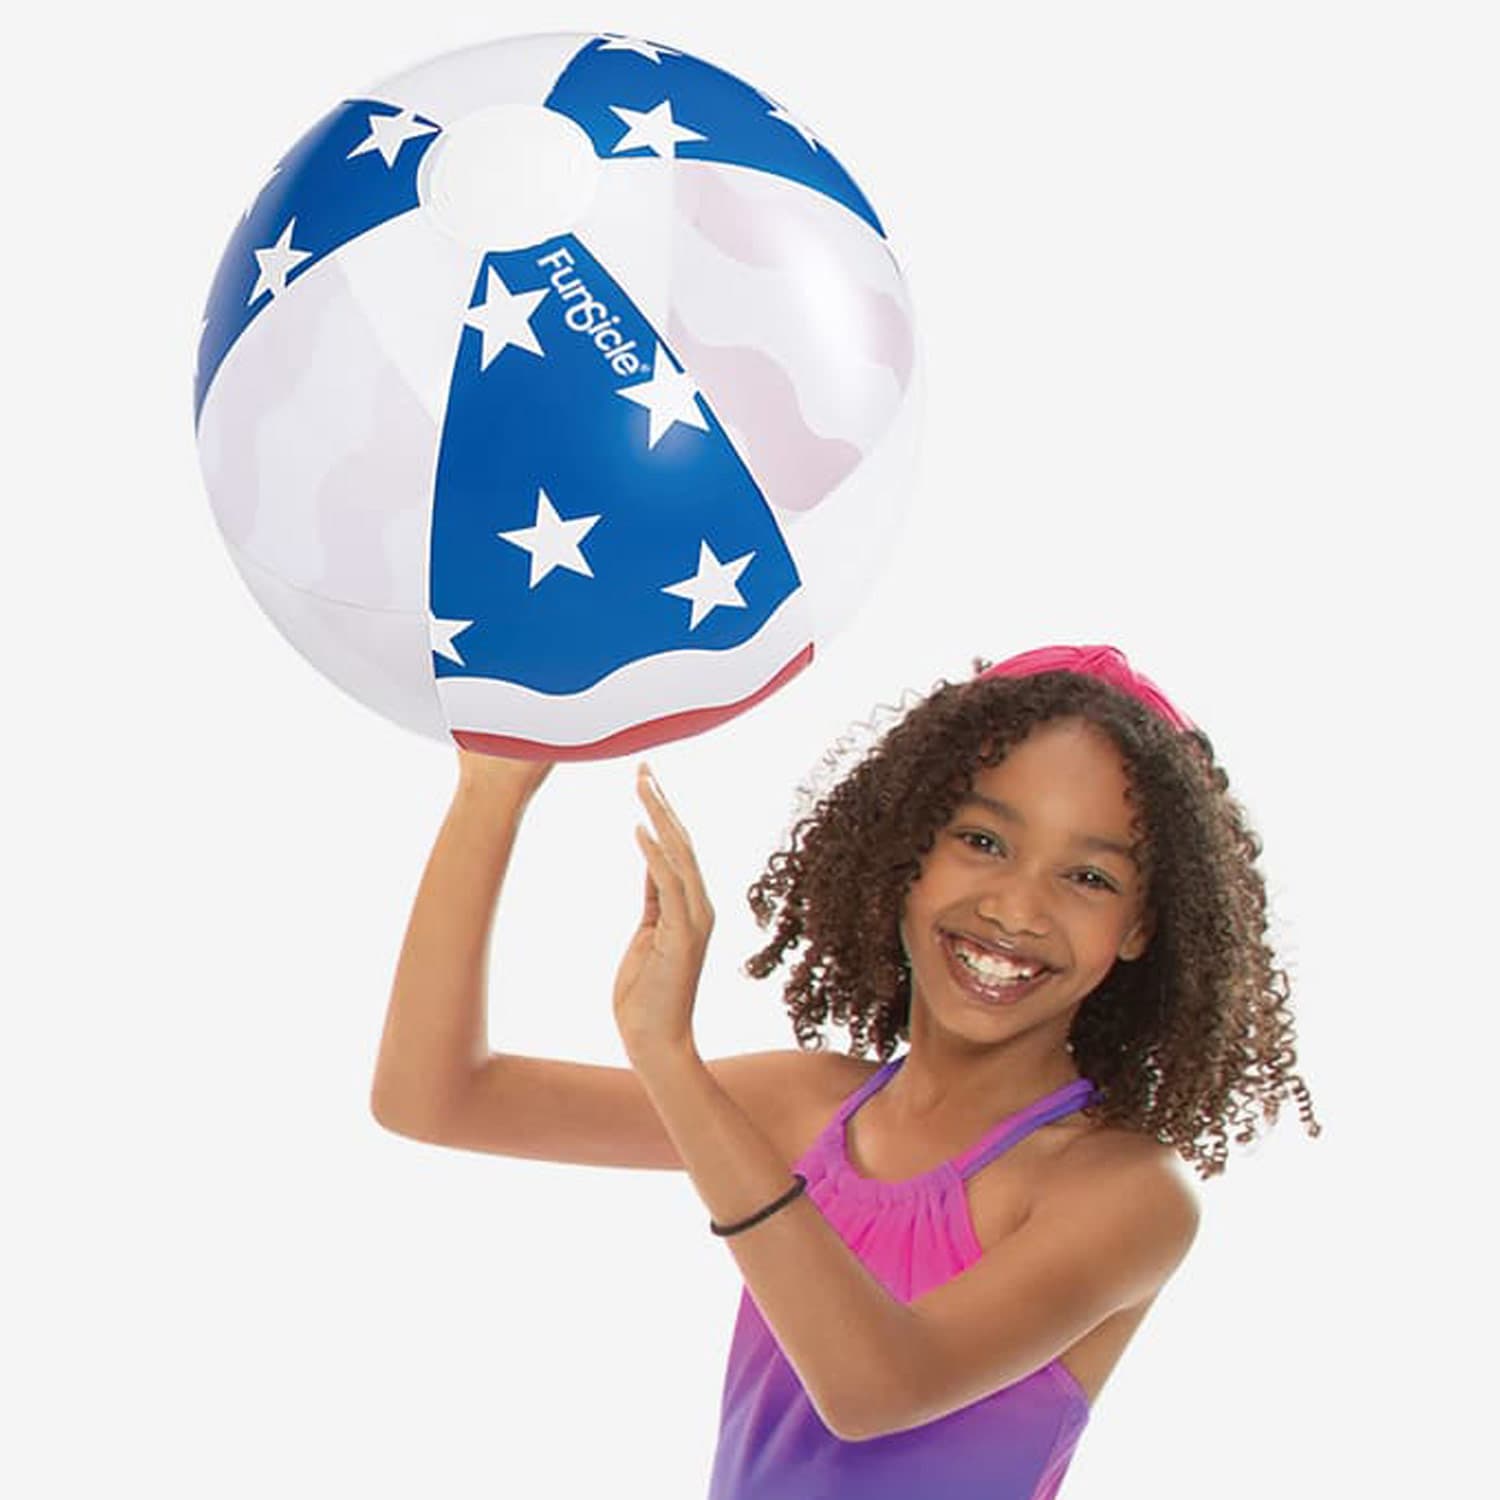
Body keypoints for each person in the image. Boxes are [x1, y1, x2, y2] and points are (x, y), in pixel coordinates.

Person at [370, 643, 1321, 1499]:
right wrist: (491, 791)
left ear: (1142, 930)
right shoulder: (806, 1107)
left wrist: (672, 1060)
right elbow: (435, 1097)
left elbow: (876, 1387)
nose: (1018, 909)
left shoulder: (1127, 1194)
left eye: (1090, 879)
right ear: (907, 851)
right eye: (983, 841)